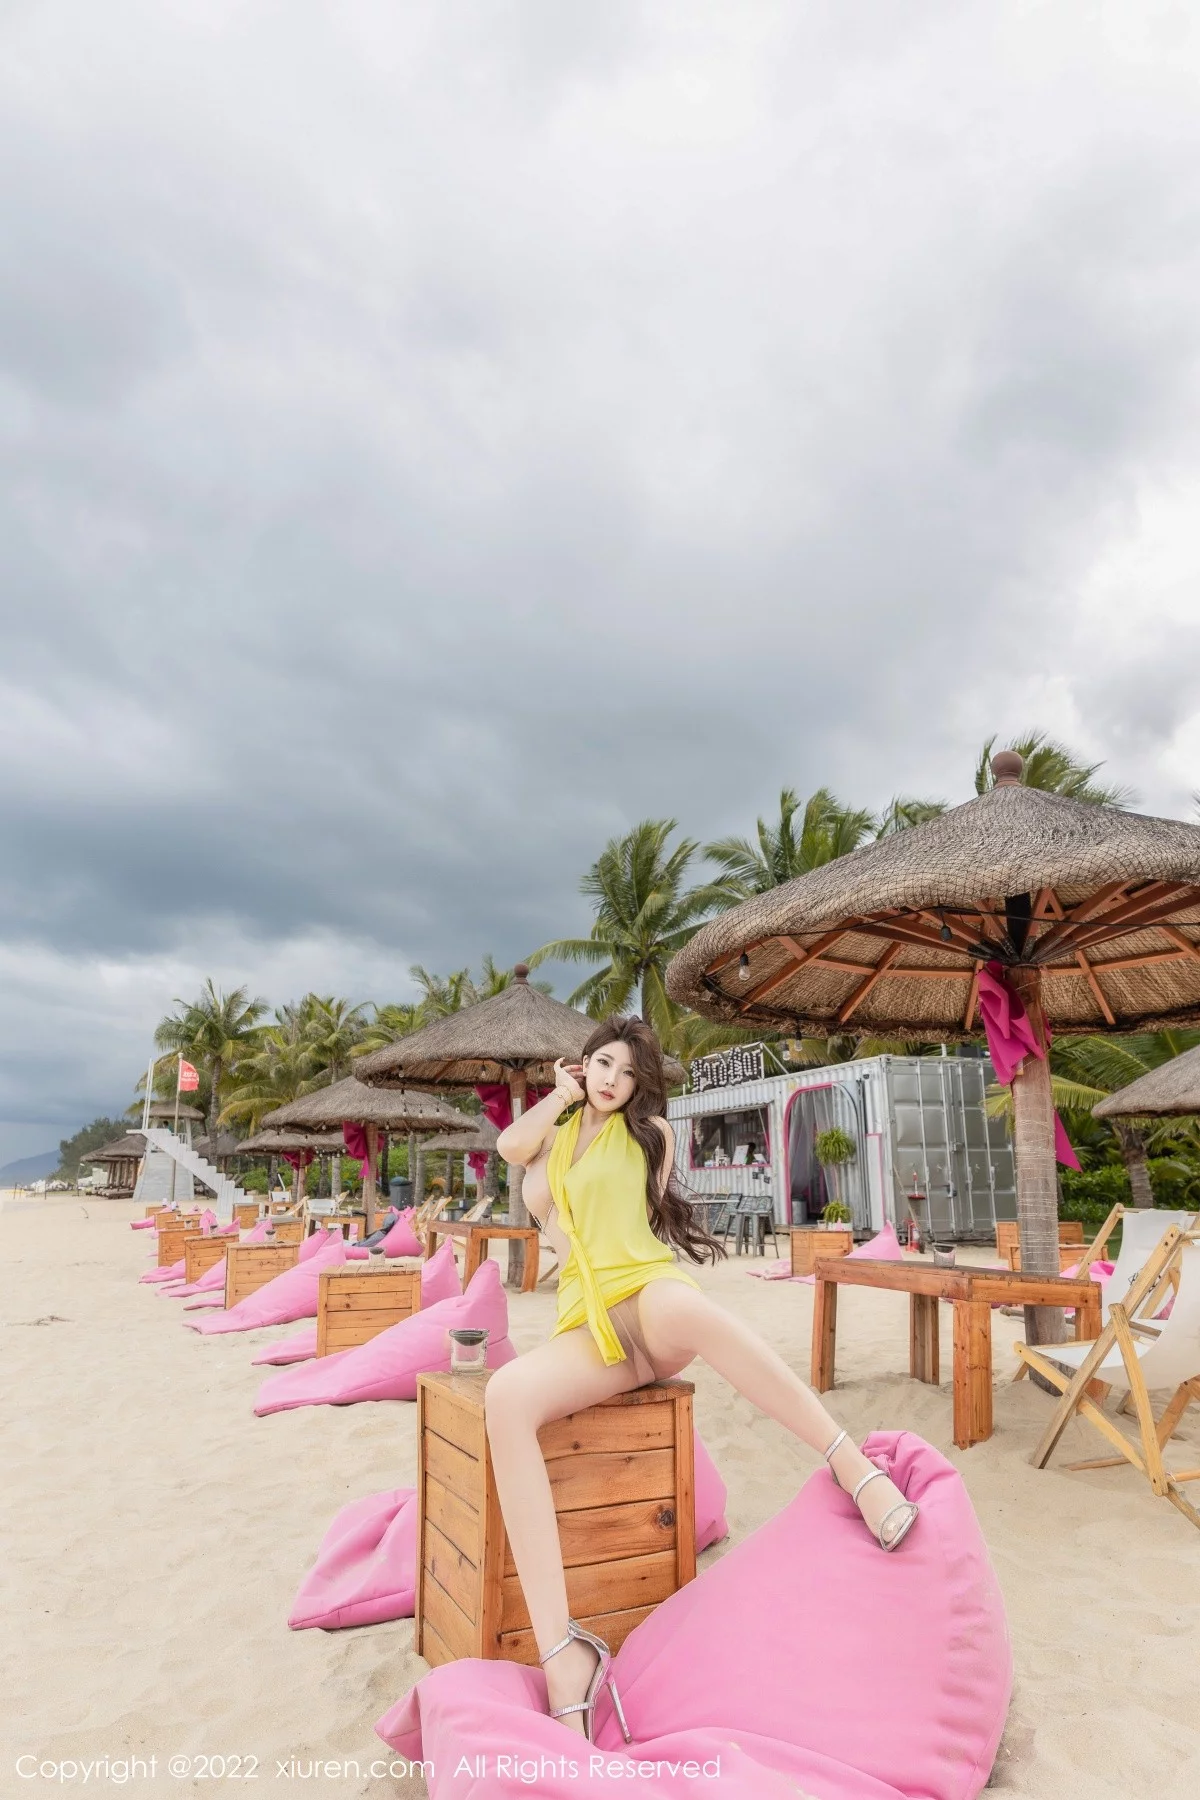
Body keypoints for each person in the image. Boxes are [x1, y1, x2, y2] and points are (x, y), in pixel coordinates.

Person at [489, 1016, 918, 1743]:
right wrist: (559, 1096)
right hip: (585, 1324)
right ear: (582, 1065)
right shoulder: (551, 1134)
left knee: (695, 1312)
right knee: (505, 1397)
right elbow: (509, 1147)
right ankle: (563, 1656)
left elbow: (622, 1223)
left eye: (628, 1072)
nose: (613, 1080)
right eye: (603, 1064)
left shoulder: (649, 1135)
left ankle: (855, 1468)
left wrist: (585, 1122)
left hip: (647, 1297)